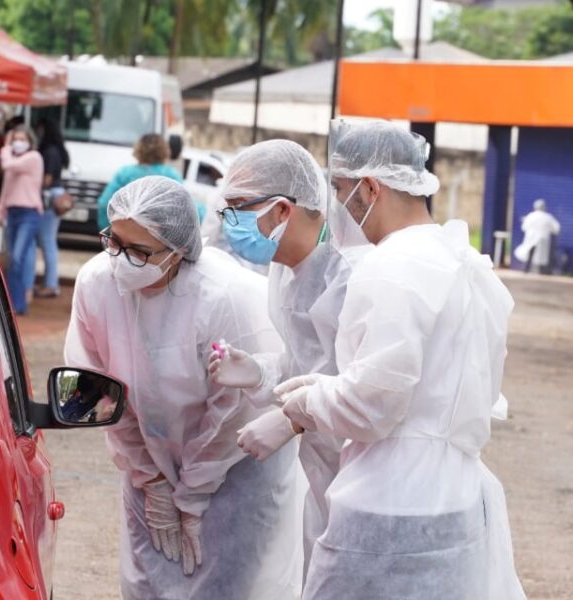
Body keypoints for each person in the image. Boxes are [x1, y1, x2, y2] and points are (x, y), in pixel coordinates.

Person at [273, 120, 525, 599]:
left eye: (342, 190)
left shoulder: (390, 266)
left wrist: (306, 400)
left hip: (389, 502)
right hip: (457, 500)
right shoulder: (468, 263)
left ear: (370, 188)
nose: (338, 209)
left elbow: (373, 406)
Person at [64, 176, 300, 599]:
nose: (121, 260)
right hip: (149, 461)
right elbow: (94, 388)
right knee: (146, 582)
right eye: (114, 242)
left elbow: (233, 412)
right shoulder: (97, 283)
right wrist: (149, 478)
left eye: (139, 251)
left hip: (235, 468)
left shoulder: (223, 297)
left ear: (179, 251)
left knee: (227, 583)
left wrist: (194, 492)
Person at [201, 139, 366, 576]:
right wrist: (259, 371)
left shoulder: (351, 276)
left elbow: (370, 383)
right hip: (326, 469)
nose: (228, 221)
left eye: (237, 207)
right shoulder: (285, 271)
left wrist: (294, 418)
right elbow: (305, 365)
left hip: (374, 472)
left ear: (281, 210)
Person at [0, 126, 45, 315]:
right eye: (15, 138)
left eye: (22, 138)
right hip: (12, 211)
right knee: (13, 260)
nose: (18, 142)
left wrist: (5, 148)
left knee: (18, 258)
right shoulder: (15, 160)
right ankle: (13, 302)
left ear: (29, 141)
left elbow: (8, 165)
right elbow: (6, 187)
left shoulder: (33, 158)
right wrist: (1, 209)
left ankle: (17, 304)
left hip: (29, 213)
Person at [96, 134, 184, 231]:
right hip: (160, 238)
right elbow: (182, 210)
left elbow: (106, 204)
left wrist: (111, 231)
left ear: (138, 149)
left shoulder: (125, 174)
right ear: (165, 151)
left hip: (128, 234)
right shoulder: (172, 176)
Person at [34, 117, 69, 299]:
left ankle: (50, 284)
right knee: (49, 241)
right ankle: (50, 283)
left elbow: (46, 179)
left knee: (47, 241)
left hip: (49, 198)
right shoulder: (57, 150)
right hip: (56, 196)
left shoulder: (49, 151)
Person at [513, 198, 561, 274]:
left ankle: (526, 269)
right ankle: (542, 272)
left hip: (531, 238)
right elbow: (556, 229)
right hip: (543, 238)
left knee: (530, 254)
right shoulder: (548, 217)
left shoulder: (531, 216)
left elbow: (524, 227)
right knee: (542, 257)